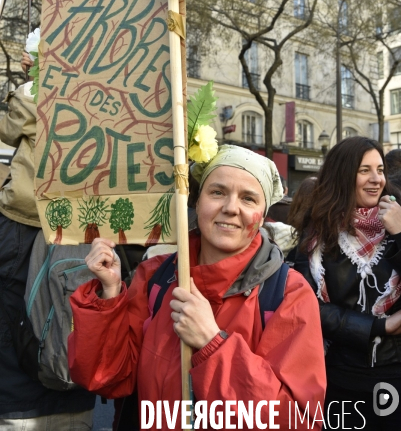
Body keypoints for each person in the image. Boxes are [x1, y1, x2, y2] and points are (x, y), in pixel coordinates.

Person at [68, 145, 326, 430]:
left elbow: (296, 420)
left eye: (248, 198)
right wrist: (109, 295)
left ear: (263, 214)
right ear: (197, 201)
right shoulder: (154, 276)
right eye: (217, 192)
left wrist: (212, 344)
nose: (230, 207)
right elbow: (105, 376)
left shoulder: (289, 294)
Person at [0, 52, 95, 429]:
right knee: (70, 305)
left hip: (27, 219)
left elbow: (8, 129)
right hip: (84, 223)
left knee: (19, 312)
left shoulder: (40, 88)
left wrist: (32, 83)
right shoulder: (117, 91)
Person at [294, 136, 401, 429]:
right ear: (343, 173)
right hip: (337, 375)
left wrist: (400, 234)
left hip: (394, 373)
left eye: (380, 169)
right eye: (364, 170)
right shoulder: (318, 232)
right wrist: (379, 326)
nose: (376, 179)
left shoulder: (398, 219)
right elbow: (306, 306)